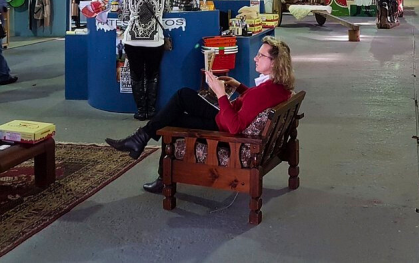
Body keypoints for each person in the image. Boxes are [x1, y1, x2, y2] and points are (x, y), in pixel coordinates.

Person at [105, 36, 294, 194]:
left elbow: (235, 127)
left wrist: (220, 93)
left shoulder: (262, 92)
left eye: (261, 55)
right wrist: (238, 86)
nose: (255, 58)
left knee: (173, 114)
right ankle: (142, 139)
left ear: (275, 63)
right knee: (183, 98)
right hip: (225, 120)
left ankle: (146, 148)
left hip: (224, 131)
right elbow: (253, 104)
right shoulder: (279, 88)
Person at [121, 0, 166, 120]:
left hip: (132, 41)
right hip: (155, 40)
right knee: (152, 76)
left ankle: (141, 111)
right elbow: (166, 10)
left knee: (137, 76)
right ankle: (151, 110)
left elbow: (125, 15)